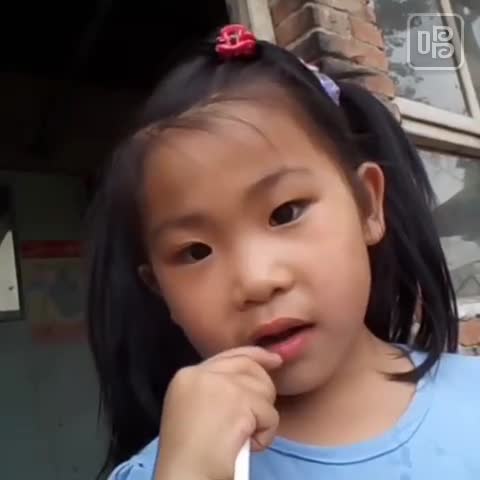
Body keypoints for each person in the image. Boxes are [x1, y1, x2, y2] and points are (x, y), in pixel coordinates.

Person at [86, 24, 480, 480]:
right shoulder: (162, 472)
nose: (256, 281)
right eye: (195, 252)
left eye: (286, 213)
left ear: (368, 206)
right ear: (160, 290)